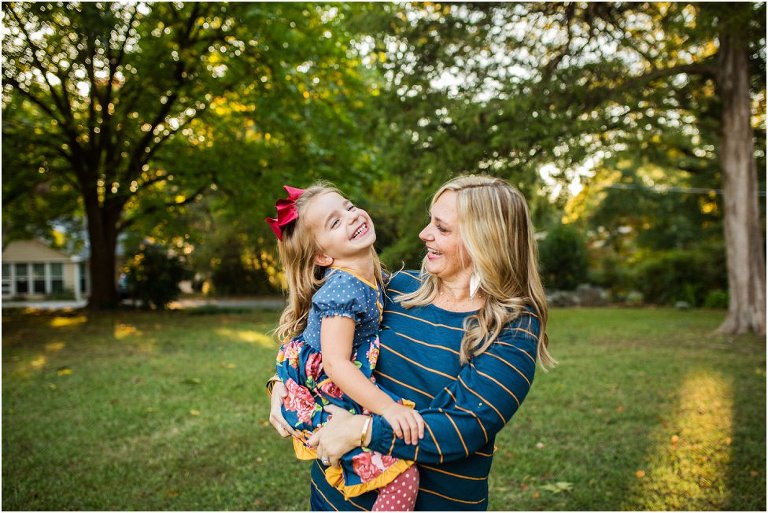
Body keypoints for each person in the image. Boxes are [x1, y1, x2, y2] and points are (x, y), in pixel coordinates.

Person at [268, 174, 555, 510]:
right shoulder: (398, 288)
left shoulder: (511, 328)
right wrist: (283, 386)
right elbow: (319, 340)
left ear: (486, 241)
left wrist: (362, 430)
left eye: (442, 228)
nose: (424, 234)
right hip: (336, 499)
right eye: (430, 221)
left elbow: (465, 427)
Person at [266, 183, 424, 511]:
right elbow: (336, 365)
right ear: (322, 256)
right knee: (401, 476)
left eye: (349, 207)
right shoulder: (343, 290)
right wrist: (388, 409)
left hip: (331, 377)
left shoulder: (370, 275)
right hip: (319, 386)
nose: (351, 218)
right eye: (335, 222)